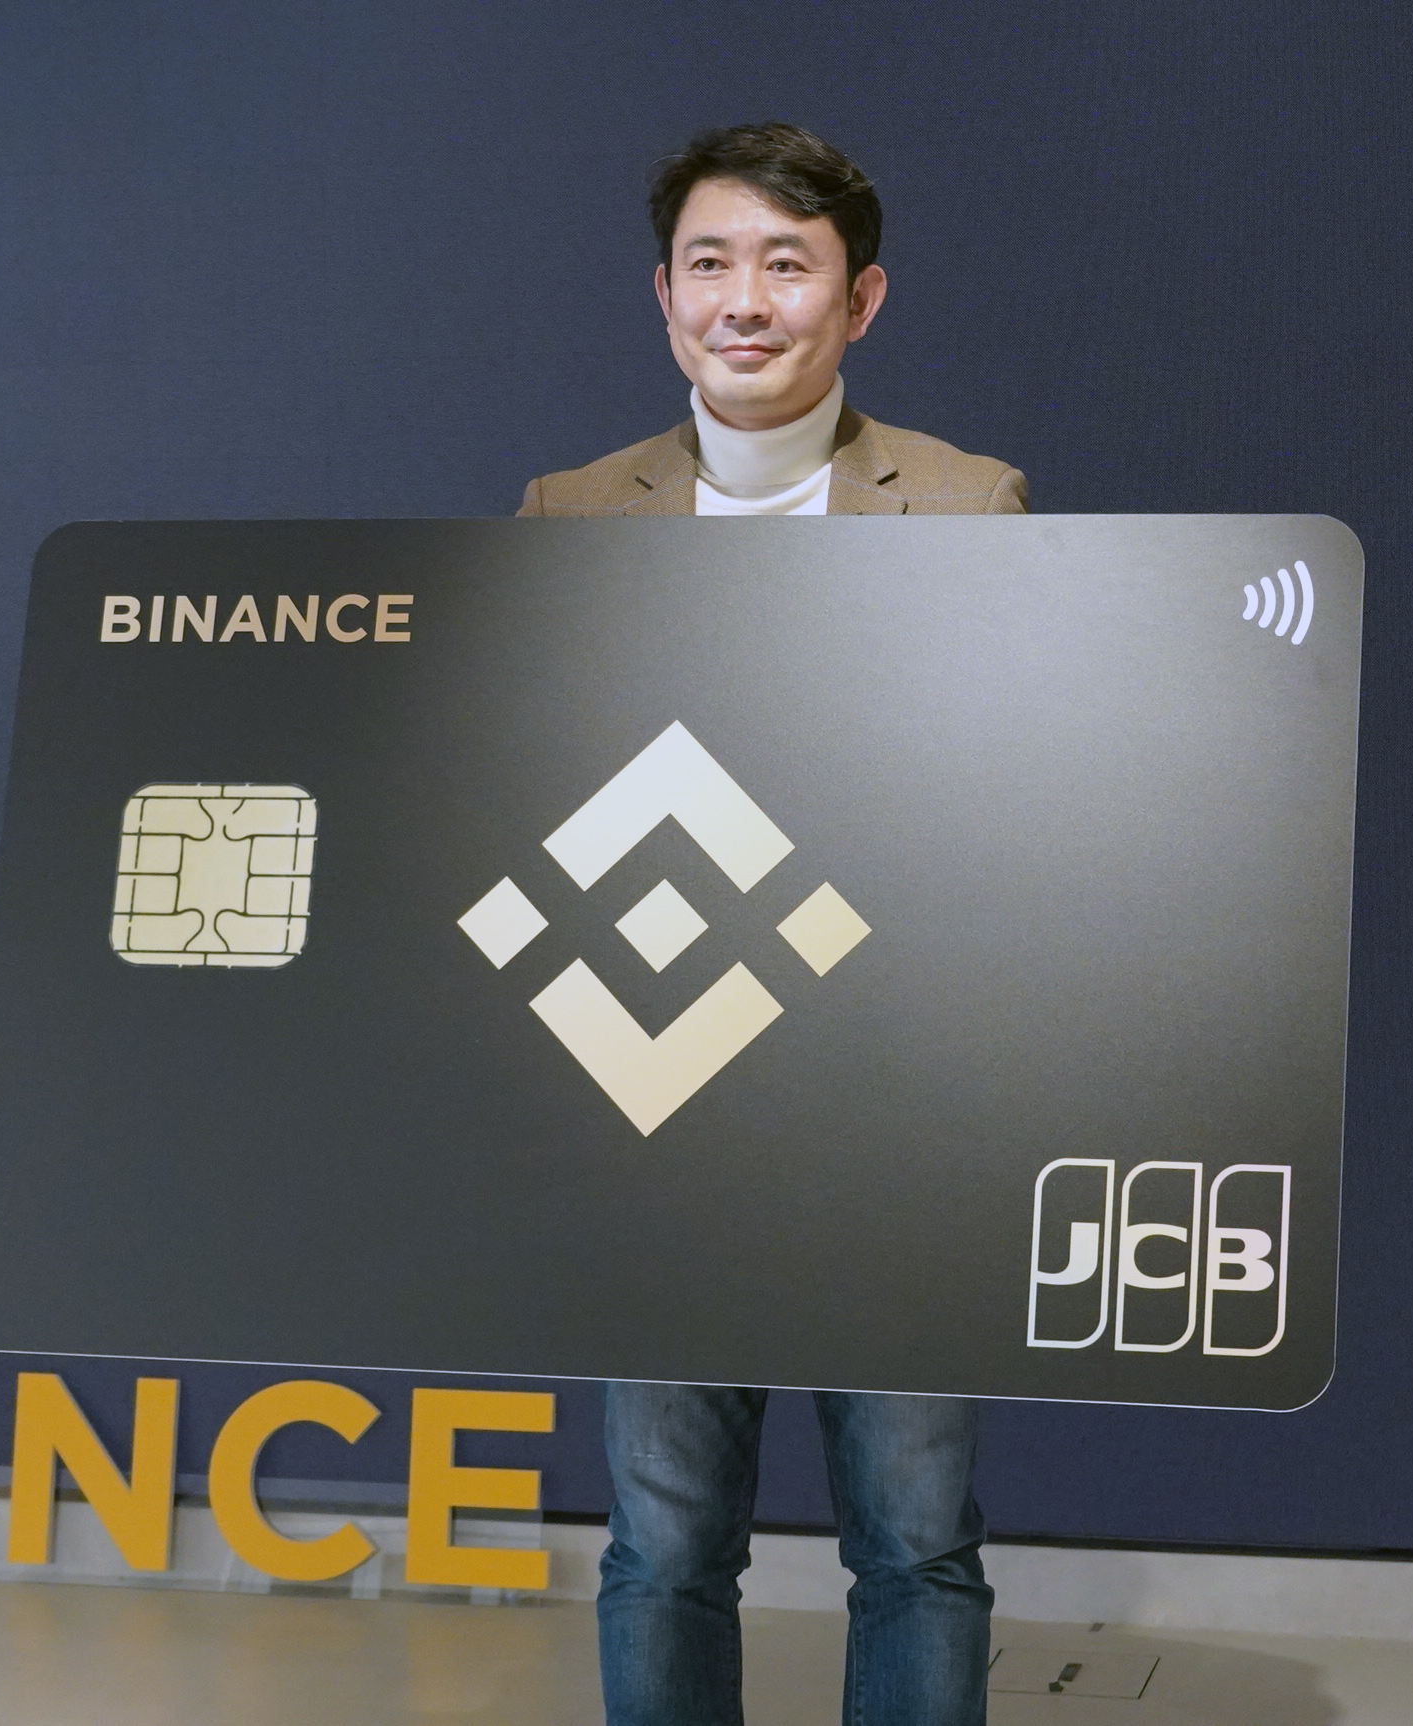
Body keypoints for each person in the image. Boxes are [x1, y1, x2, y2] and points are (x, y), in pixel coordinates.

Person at [520, 122, 1020, 1726]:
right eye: (710, 263)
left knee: (918, 1539)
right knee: (664, 1543)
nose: (744, 300)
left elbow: (1006, 799)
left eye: (787, 264)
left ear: (859, 299)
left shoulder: (970, 504)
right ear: (665, 294)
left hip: (896, 1106)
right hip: (662, 1101)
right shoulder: (569, 513)